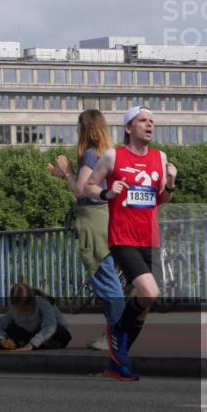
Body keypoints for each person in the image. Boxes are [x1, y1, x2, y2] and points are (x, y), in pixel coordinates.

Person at [84, 106, 177, 382]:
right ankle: (116, 334)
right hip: (122, 237)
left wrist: (170, 184)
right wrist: (106, 192)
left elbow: (161, 200)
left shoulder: (160, 158)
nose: (149, 125)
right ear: (128, 128)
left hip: (149, 237)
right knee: (148, 292)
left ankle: (118, 361)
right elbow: (88, 185)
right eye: (143, 121)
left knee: (146, 303)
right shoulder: (113, 156)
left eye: (152, 121)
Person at [47, 109, 125, 351]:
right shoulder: (108, 153)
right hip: (107, 216)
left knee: (104, 278)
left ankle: (116, 336)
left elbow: (81, 190)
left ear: (86, 129)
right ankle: (117, 334)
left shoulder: (90, 155)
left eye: (78, 126)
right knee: (109, 276)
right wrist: (66, 177)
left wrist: (68, 173)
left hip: (93, 219)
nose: (76, 130)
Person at [0, 283, 72, 351]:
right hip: (31, 336)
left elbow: (50, 326)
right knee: (11, 328)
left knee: (55, 327)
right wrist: (1, 340)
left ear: (31, 302)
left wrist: (32, 344)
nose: (21, 312)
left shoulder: (43, 303)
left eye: (24, 309)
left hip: (55, 335)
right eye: (18, 308)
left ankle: (40, 345)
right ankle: (33, 345)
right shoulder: (14, 310)